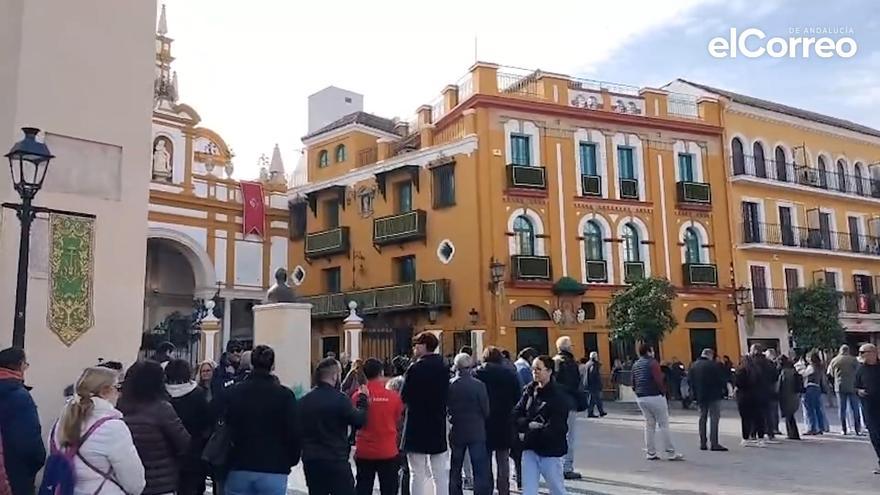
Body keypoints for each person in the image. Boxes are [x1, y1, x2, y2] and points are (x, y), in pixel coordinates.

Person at [49, 366, 145, 495]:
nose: (119, 393)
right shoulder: (113, 427)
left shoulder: (61, 423)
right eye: (117, 388)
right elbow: (135, 483)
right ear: (105, 391)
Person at [225, 345, 302, 495]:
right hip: (274, 467)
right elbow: (294, 432)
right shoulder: (285, 396)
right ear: (272, 366)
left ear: (251, 364)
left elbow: (227, 425)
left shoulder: (235, 392)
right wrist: (290, 459)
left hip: (239, 464)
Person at [118, 360, 191, 495]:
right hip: (161, 483)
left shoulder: (118, 407)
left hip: (126, 482)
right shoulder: (162, 409)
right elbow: (184, 443)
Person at [300, 357, 368, 495]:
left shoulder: (304, 401)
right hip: (336, 459)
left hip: (312, 460)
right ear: (335, 376)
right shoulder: (341, 399)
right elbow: (359, 421)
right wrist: (363, 401)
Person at [401, 332, 450, 495]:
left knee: (417, 473)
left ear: (424, 346)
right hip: (437, 423)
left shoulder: (415, 368)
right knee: (440, 473)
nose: (414, 348)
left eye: (417, 344)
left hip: (417, 424)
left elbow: (404, 396)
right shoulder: (444, 367)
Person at [513, 356, 568, 495]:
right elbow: (516, 413)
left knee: (557, 489)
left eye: (538, 369)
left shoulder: (558, 396)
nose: (534, 372)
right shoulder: (529, 390)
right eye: (533, 369)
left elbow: (557, 426)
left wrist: (530, 430)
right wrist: (528, 424)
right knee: (529, 490)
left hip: (550, 450)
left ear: (549, 371)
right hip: (529, 448)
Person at [353, 358, 403, 495]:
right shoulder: (393, 397)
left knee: (363, 488)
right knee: (389, 489)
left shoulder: (358, 396)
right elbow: (397, 419)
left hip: (364, 450)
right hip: (388, 450)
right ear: (381, 373)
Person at [474, 347, 520, 495]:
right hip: (504, 421)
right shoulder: (509, 375)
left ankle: (487, 489)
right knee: (503, 460)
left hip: (483, 422)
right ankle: (503, 490)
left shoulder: (477, 374)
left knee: (484, 460)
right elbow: (517, 398)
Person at [0, 348, 45, 495]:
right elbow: (29, 442)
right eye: (26, 364)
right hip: (15, 474)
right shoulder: (19, 395)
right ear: (20, 365)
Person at [165, 359, 212, 495]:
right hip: (194, 453)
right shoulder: (198, 394)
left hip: (168, 453)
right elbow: (206, 423)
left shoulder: (163, 395)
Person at [631, 344, 684, 461]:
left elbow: (633, 382)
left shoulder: (636, 364)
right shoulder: (652, 363)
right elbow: (658, 379)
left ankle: (651, 453)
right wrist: (663, 391)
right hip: (655, 396)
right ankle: (670, 452)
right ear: (649, 351)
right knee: (663, 424)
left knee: (649, 425)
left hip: (641, 397)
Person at [447, 353, 490, 495]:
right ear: (470, 366)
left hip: (457, 428)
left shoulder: (450, 385)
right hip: (476, 429)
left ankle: (455, 492)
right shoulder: (479, 385)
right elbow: (486, 409)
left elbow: (446, 406)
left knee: (456, 466)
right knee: (479, 466)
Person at [552, 336, 584, 480]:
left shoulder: (553, 361)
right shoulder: (570, 363)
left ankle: (555, 466)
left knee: (556, 434)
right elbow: (575, 384)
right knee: (569, 436)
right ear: (568, 347)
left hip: (554, 403)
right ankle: (567, 467)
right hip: (568, 403)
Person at [688, 348, 727, 451]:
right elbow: (721, 380)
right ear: (710, 355)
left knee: (702, 418)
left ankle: (703, 443)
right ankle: (714, 443)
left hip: (700, 396)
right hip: (714, 395)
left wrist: (694, 395)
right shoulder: (714, 365)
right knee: (714, 419)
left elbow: (690, 382)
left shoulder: (694, 365)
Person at [854, 343, 880, 474]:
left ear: (873, 353)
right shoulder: (860, 369)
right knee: (875, 436)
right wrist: (859, 391)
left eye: (862, 352)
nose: (860, 355)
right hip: (868, 407)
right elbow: (855, 385)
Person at [735, 346, 768, 446]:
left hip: (745, 396)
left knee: (745, 418)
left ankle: (746, 438)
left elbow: (738, 382)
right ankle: (761, 438)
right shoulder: (764, 365)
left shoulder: (743, 368)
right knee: (759, 417)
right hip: (759, 395)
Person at [828, 344, 862, 435]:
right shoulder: (853, 360)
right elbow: (859, 371)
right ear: (848, 350)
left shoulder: (834, 360)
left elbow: (830, 373)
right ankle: (857, 429)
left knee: (842, 409)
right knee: (855, 408)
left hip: (839, 386)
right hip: (852, 386)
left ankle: (844, 429)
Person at [800, 352, 828, 435]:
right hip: (817, 388)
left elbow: (804, 374)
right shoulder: (820, 367)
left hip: (810, 387)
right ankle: (821, 427)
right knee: (817, 408)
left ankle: (812, 428)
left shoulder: (811, 367)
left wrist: (801, 371)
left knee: (809, 409)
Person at [777, 355, 802, 440]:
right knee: (790, 415)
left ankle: (792, 434)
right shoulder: (793, 370)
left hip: (786, 396)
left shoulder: (784, 372)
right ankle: (793, 434)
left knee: (789, 416)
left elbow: (781, 385)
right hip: (794, 395)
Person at [762, 348, 782, 437]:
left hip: (769, 390)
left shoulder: (768, 365)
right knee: (773, 410)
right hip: (773, 391)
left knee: (770, 411)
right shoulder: (775, 365)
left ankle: (771, 428)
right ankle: (774, 428)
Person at [583, 351, 606, 418]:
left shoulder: (587, 363)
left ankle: (600, 412)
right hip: (593, 384)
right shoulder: (593, 364)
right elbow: (593, 374)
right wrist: (598, 383)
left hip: (588, 384)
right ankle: (591, 412)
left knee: (595, 398)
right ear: (595, 357)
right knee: (593, 399)